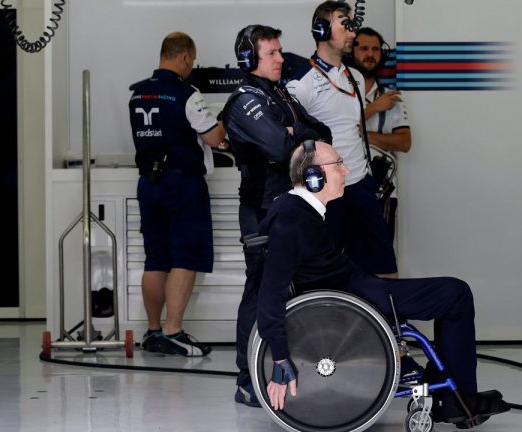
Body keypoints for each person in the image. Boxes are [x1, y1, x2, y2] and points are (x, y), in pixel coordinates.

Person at [255, 141, 509, 428]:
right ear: (315, 176)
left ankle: (448, 391)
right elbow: (270, 290)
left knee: (451, 293)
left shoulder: (298, 209)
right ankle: (456, 400)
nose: (346, 170)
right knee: (456, 294)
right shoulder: (291, 217)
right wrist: (278, 357)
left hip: (357, 290)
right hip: (359, 299)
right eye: (338, 164)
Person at [222, 24, 332, 407]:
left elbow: (323, 132)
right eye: (271, 53)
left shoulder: (279, 93)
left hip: (292, 206)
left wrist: (293, 132)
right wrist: (293, 136)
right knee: (260, 292)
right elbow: (281, 147)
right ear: (249, 59)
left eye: (280, 51)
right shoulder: (243, 101)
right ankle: (247, 381)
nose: (280, 58)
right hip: (262, 211)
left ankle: (284, 374)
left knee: (296, 290)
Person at [286, 1, 398, 279]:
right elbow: (288, 138)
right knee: (325, 274)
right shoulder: (302, 83)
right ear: (322, 29)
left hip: (361, 186)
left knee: (384, 270)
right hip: (326, 193)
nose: (352, 31)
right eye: (343, 23)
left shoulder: (355, 77)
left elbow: (353, 128)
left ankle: (390, 322)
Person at [128, 32, 223, 357]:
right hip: (183, 185)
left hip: (149, 183)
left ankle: (154, 331)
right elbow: (212, 138)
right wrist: (223, 126)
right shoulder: (187, 94)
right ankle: (173, 331)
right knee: (186, 257)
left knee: (155, 259)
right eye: (192, 60)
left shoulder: (137, 94)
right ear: (184, 57)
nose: (192, 66)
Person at [352, 27, 411, 154]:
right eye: (364, 48)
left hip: (381, 173)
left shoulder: (390, 96)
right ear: (351, 53)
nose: (370, 54)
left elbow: (405, 143)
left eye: (375, 49)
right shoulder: (338, 91)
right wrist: (374, 108)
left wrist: (363, 135)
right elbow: (336, 132)